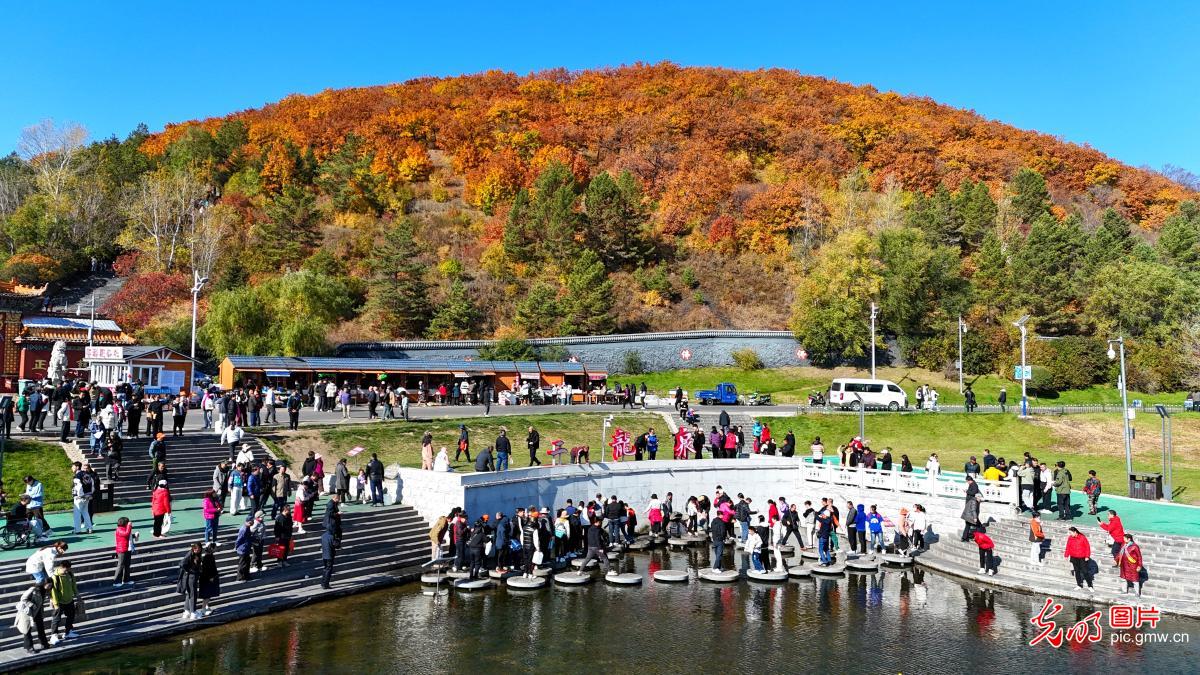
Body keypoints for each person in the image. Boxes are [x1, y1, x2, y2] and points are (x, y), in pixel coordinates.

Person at [48, 560, 78, 644]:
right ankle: (54, 635)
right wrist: (56, 604)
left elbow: (74, 585)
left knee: (71, 616)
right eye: (66, 569)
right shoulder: (55, 577)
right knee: (56, 619)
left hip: (69, 600)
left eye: (69, 569)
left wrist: (77, 595)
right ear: (62, 567)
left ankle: (68, 632)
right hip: (59, 602)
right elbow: (53, 592)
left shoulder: (70, 574)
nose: (67, 571)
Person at [15, 582, 50, 653]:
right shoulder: (33, 590)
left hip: (37, 612)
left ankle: (44, 643)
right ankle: (29, 647)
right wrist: (31, 604)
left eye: (51, 585)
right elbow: (23, 599)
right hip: (28, 612)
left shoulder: (44, 591)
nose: (50, 587)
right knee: (27, 630)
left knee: (41, 628)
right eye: (49, 585)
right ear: (44, 584)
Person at [1064, 527, 1094, 592]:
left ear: (1075, 532)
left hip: (1082, 557)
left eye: (1070, 532)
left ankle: (1090, 585)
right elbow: (1068, 547)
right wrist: (1066, 555)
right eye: (1069, 533)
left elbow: (1087, 547)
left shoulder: (1082, 537)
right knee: (1077, 571)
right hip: (1074, 557)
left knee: (1085, 571)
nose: (1070, 534)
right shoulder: (1070, 538)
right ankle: (1079, 585)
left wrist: (1087, 556)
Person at [113, 517, 136, 587]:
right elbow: (126, 534)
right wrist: (129, 526)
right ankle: (116, 581)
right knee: (120, 565)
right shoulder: (119, 529)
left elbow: (127, 536)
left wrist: (134, 535)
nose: (129, 523)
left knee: (127, 565)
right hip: (122, 550)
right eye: (128, 522)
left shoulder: (125, 529)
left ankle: (126, 580)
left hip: (127, 549)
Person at [198, 543, 220, 616]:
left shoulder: (210, 555)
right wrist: (211, 577)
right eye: (215, 547)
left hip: (210, 578)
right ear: (212, 548)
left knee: (209, 594)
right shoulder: (207, 556)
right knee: (206, 595)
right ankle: (203, 609)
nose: (216, 549)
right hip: (207, 579)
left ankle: (206, 606)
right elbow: (206, 569)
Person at [71, 465, 94, 534]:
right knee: (85, 512)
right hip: (87, 496)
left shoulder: (77, 476)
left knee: (77, 513)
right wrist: (90, 494)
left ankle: (77, 530)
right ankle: (89, 528)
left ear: (77, 467)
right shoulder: (87, 474)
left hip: (80, 498)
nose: (72, 468)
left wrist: (80, 495)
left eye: (73, 466)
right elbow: (92, 484)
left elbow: (79, 486)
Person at [961, 476, 982, 541]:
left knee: (971, 524)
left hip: (970, 512)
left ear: (969, 480)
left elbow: (973, 492)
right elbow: (973, 510)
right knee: (974, 524)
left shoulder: (974, 485)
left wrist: (967, 491)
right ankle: (966, 537)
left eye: (967, 481)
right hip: (971, 512)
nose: (967, 482)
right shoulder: (974, 501)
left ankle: (965, 537)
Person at [235, 516, 254, 581]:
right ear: (247, 521)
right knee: (242, 564)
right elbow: (239, 539)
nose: (252, 522)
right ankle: (240, 577)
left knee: (247, 563)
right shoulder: (244, 529)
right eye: (251, 521)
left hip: (246, 548)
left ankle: (246, 575)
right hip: (242, 549)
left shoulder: (248, 527)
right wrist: (236, 547)